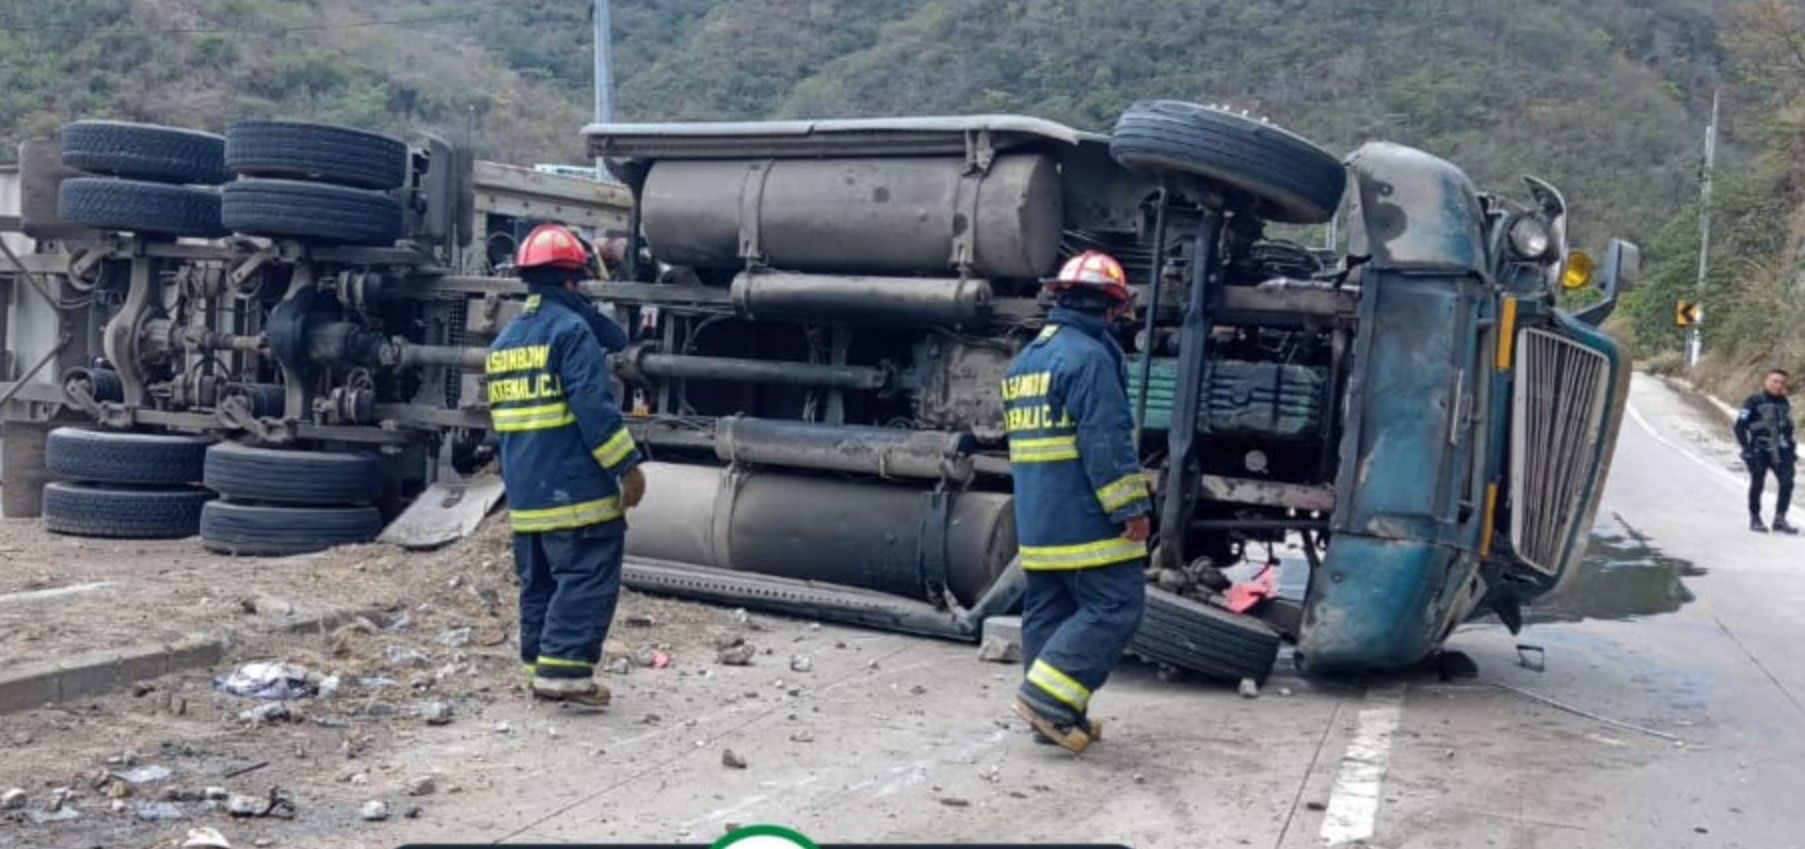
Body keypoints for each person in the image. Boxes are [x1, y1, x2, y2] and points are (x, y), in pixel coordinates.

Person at [487, 223, 646, 706]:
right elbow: (593, 410)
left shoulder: (505, 342)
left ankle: (538, 668)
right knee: (588, 571)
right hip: (574, 488)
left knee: (538, 584)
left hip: (527, 495)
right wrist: (627, 468)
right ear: (574, 281)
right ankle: (567, 675)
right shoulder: (572, 331)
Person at [1002, 250, 1152, 753]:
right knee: (1116, 604)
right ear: (1112, 308)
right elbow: (1105, 442)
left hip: (1039, 520)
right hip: (1085, 520)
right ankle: (1047, 700)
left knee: (1050, 609)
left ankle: (1055, 716)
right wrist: (1130, 510)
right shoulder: (1089, 358)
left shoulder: (1027, 360)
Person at [1737, 368, 1797, 534]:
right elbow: (1740, 427)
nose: (1778, 385)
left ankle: (1780, 518)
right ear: (1766, 381)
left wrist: (1791, 448)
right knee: (1758, 483)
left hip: (1780, 449)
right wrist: (1746, 449)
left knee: (1787, 483)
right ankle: (1755, 518)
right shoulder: (1753, 401)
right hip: (1760, 448)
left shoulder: (1784, 402)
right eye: (1775, 381)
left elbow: (1787, 427)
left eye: (1782, 383)